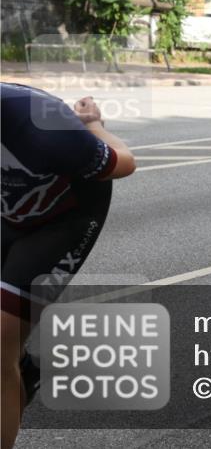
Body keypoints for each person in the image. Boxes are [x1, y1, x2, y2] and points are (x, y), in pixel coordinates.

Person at [1, 83, 136, 449]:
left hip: (65, 217)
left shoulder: (45, 129)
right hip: (9, 208)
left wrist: (92, 124)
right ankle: (20, 368)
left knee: (0, 343)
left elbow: (124, 162)